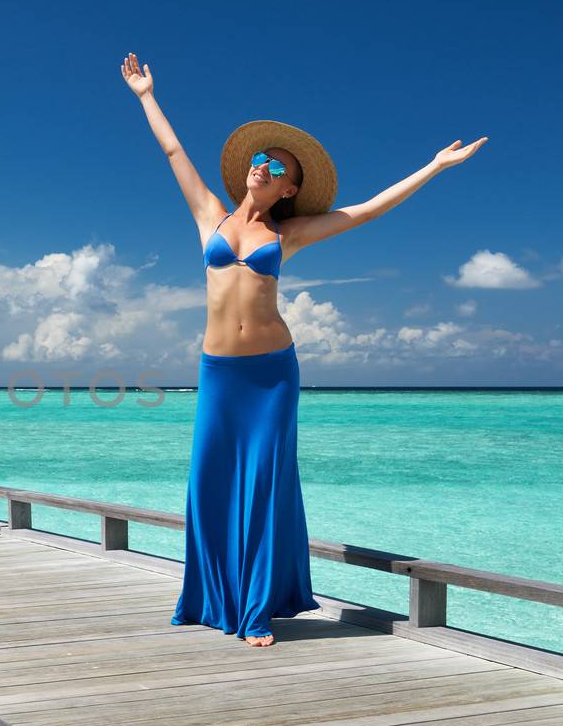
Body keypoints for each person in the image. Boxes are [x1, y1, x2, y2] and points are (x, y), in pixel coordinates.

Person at [120, 52, 486, 647]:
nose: (262, 167)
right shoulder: (210, 217)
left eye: (276, 166)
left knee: (264, 482)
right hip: (219, 373)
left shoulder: (286, 234)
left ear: (291, 187)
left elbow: (366, 211)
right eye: (259, 159)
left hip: (271, 375)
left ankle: (258, 610)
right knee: (209, 477)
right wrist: (146, 95)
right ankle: (212, 597)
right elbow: (173, 154)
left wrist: (436, 165)